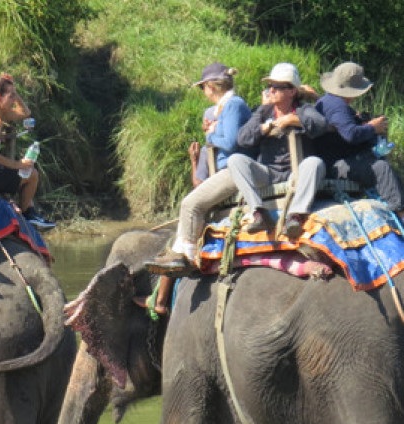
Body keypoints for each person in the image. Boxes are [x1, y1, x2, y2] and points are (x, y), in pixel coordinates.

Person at [147, 62, 328, 276]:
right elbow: (243, 137)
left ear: (291, 91)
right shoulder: (264, 111)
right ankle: (258, 211)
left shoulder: (304, 110)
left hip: (296, 173)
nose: (271, 91)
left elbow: (321, 124)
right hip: (268, 172)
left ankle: (296, 216)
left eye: (277, 87)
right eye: (270, 86)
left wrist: (292, 119)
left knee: (315, 163)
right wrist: (266, 126)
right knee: (237, 161)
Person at [314, 61, 402, 211]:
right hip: (336, 166)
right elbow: (351, 135)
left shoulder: (327, 101)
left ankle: (397, 204)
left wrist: (361, 121)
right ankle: (399, 211)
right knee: (381, 167)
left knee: (383, 166)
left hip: (339, 161)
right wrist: (372, 127)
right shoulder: (338, 107)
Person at [0, 73, 55, 229]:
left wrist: (14, 93)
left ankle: (29, 211)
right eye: (10, 97)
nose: (13, 101)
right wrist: (17, 164)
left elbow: (25, 112)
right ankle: (26, 215)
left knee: (25, 171)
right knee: (32, 174)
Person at [188, 62, 252, 187]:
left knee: (190, 205)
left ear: (210, 87)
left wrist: (210, 136)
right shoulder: (224, 108)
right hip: (227, 170)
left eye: (202, 88)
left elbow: (230, 143)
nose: (203, 92)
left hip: (235, 171)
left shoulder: (233, 105)